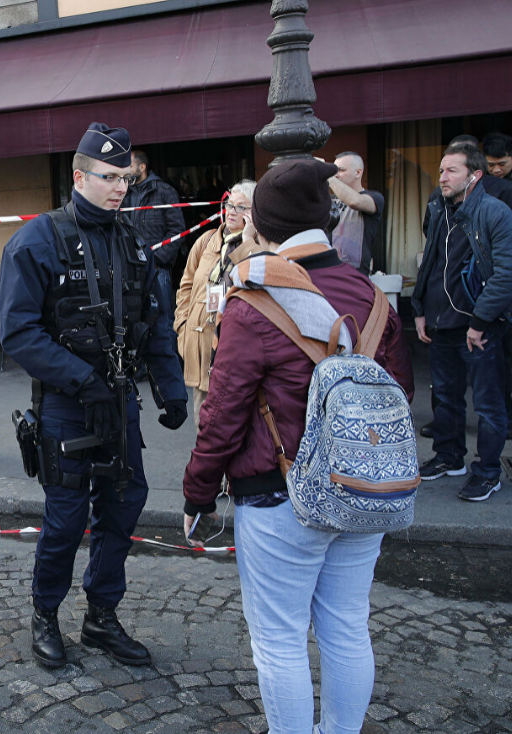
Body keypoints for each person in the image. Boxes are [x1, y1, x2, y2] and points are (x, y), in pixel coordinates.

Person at [182, 158, 413, 734]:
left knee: (280, 640)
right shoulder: (370, 292)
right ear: (328, 221)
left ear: (260, 226)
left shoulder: (255, 298)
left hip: (278, 493)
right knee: (347, 626)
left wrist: (198, 494)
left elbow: (224, 411)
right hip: (361, 485)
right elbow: (401, 392)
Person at [0, 123, 187, 670]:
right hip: (67, 405)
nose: (119, 187)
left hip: (121, 401)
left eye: (125, 177)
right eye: (108, 177)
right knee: (65, 520)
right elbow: (17, 331)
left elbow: (155, 322)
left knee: (123, 508)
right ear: (80, 176)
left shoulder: (131, 240)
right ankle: (45, 616)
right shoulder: (38, 239)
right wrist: (81, 380)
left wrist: (171, 390)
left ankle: (101, 616)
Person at [412, 143, 512, 501]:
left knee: (487, 404)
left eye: (451, 171)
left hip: (480, 328)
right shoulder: (438, 209)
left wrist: (481, 320)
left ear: (475, 175)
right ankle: (449, 457)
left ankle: (487, 472)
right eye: (441, 170)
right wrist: (419, 308)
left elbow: (505, 274)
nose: (442, 177)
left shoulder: (495, 212)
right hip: (440, 324)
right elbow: (431, 265)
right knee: (446, 399)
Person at [175, 179, 259, 424]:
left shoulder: (257, 246)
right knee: (203, 422)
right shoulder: (207, 240)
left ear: (254, 213)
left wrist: (248, 239)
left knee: (231, 424)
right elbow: (186, 285)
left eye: (241, 207)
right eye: (229, 204)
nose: (231, 211)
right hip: (199, 344)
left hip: (232, 348)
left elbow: (255, 280)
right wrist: (181, 327)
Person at [124, 149, 184, 314]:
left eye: (129, 165)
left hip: (158, 269)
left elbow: (177, 230)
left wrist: (157, 259)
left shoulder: (164, 191)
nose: (125, 169)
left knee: (162, 317)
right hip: (130, 268)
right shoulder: (122, 193)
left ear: (142, 167)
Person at [326, 152, 385, 275]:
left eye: (341, 170)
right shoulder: (327, 200)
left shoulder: (374, 197)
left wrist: (328, 176)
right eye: (334, 170)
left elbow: (354, 201)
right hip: (329, 273)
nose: (336, 175)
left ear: (358, 172)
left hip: (355, 276)